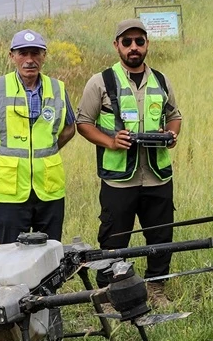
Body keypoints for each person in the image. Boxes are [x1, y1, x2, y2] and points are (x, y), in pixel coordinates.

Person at [76, 19, 182, 305]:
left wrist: (171, 135)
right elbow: (83, 122)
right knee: (114, 238)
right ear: (116, 46)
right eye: (127, 42)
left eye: (139, 41)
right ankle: (108, 292)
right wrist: (110, 141)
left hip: (157, 176)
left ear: (147, 44)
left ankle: (156, 288)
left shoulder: (161, 80)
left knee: (160, 237)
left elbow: (175, 115)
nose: (133, 47)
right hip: (119, 178)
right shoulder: (100, 82)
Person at [0, 29, 76, 244]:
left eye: (35, 53)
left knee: (50, 254)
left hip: (49, 189)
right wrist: (2, 156)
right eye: (23, 54)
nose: (30, 60)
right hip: (10, 191)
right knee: (11, 255)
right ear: (12, 56)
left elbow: (69, 129)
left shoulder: (57, 88)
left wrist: (48, 149)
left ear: (44, 56)